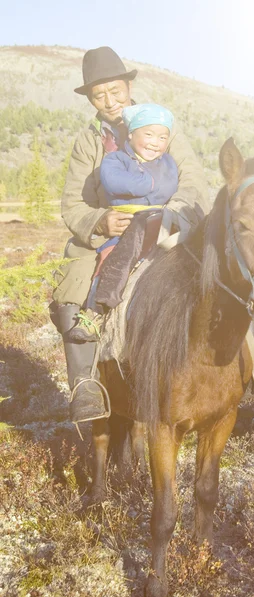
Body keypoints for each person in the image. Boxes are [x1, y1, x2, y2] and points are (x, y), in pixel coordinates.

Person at [50, 47, 210, 424]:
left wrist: (174, 215)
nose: (109, 101)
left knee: (214, 268)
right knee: (72, 280)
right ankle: (85, 385)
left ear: (129, 85)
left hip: (167, 224)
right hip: (113, 229)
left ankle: (250, 364)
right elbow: (73, 204)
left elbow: (195, 181)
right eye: (99, 95)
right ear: (90, 98)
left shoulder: (161, 124)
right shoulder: (89, 141)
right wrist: (100, 221)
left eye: (116, 91)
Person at [68, 102, 178, 342]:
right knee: (110, 260)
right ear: (131, 134)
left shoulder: (167, 162)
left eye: (162, 137)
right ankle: (95, 312)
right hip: (125, 225)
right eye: (148, 134)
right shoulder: (115, 160)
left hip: (162, 225)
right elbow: (114, 182)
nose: (155, 142)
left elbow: (171, 185)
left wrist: (147, 182)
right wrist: (149, 183)